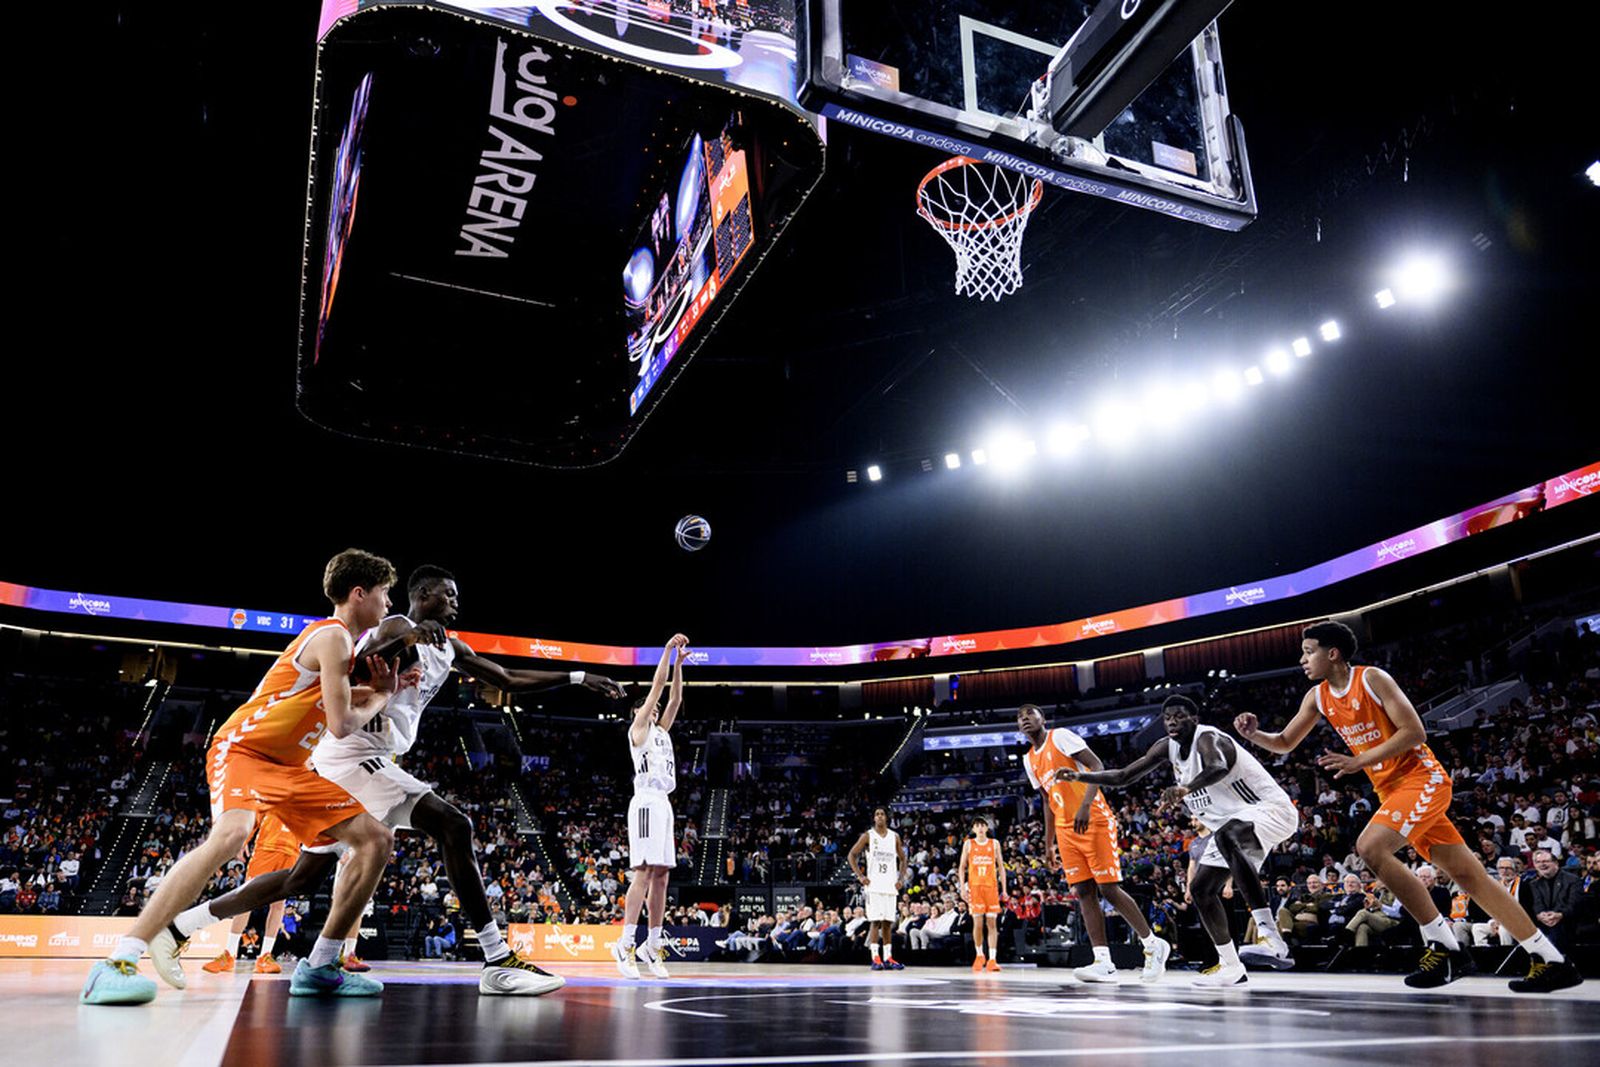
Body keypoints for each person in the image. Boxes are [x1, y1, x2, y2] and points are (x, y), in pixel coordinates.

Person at [170, 565, 621, 995]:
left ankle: (182, 926)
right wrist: (405, 636)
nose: (456, 603)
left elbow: (506, 677)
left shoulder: (451, 647)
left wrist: (579, 676)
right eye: (449, 595)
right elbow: (359, 660)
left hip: (356, 759)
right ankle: (498, 959)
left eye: (458, 596)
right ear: (424, 595)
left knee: (300, 880)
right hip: (351, 755)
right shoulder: (395, 625)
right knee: (453, 825)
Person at [80, 549, 410, 1005]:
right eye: (384, 592)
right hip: (245, 750)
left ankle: (321, 965)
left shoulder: (340, 646)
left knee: (375, 839)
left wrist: (379, 690)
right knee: (232, 836)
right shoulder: (333, 636)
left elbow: (330, 699)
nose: (389, 602)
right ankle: (117, 960)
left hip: (291, 768)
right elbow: (340, 723)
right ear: (359, 594)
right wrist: (380, 697)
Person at [1234, 619, 1582, 992]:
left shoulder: (1372, 679)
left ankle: (1444, 946)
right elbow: (1285, 741)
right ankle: (1551, 959)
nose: (1302, 660)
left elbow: (1415, 731)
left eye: (1308, 652)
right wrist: (1255, 734)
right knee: (1470, 877)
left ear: (1332, 653)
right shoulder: (1317, 697)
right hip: (1393, 792)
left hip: (1423, 780)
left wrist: (1359, 761)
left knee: (1369, 847)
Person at [1063, 695, 1291, 987]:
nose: (1172, 721)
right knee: (1201, 890)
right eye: (1167, 717)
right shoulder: (1166, 747)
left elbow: (1218, 767)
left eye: (1179, 716)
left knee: (1226, 836)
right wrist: (1081, 777)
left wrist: (1186, 788)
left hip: (1269, 810)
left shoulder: (1207, 738)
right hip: (1231, 827)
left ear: (1193, 719)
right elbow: (1123, 776)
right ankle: (1232, 967)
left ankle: (1271, 938)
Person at [1017, 704, 1168, 984]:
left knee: (1108, 888)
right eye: (1019, 717)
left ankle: (1152, 944)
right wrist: (1048, 844)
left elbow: (1097, 766)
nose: (1024, 718)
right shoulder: (1029, 760)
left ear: (1042, 719)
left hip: (1093, 818)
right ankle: (1103, 961)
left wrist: (1086, 805)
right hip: (1065, 828)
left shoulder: (1060, 737)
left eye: (1030, 713)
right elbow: (1047, 801)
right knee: (1083, 891)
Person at [611, 636, 689, 980]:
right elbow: (658, 689)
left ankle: (652, 946)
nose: (655, 710)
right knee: (643, 872)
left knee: (662, 876)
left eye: (654, 709)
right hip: (644, 802)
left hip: (664, 803)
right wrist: (667, 650)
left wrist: (679, 666)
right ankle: (625, 943)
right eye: (648, 707)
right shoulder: (638, 729)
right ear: (638, 712)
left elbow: (675, 697)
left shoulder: (662, 732)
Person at [201, 814, 299, 976]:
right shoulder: (270, 792)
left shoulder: (306, 794)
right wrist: (243, 842)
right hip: (265, 849)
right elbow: (253, 819)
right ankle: (229, 954)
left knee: (278, 904)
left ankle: (265, 956)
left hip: (291, 852)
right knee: (246, 900)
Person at [847, 807, 907, 970]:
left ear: (886, 818)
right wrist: (860, 876)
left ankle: (888, 957)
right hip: (873, 886)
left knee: (887, 922)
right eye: (877, 814)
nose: (879, 816)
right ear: (874, 818)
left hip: (890, 885)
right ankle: (875, 957)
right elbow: (851, 855)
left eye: (882, 814)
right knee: (875, 922)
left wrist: (900, 878)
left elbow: (903, 858)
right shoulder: (868, 836)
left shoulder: (894, 836)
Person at [958, 816, 1008, 972]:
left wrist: (1004, 889)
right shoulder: (968, 844)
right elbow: (961, 867)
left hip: (991, 887)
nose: (980, 828)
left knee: (992, 924)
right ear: (973, 829)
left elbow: (1001, 867)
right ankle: (979, 955)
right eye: (977, 825)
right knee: (978, 924)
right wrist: (962, 887)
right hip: (975, 888)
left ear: (987, 828)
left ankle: (992, 959)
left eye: (983, 825)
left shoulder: (994, 844)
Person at [1520, 849, 1582, 953]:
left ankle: (1556, 963)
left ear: (1555, 863)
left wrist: (1559, 915)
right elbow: (1537, 904)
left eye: (1545, 861)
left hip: (1566, 920)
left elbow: (1574, 904)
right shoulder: (1534, 883)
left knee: (1556, 931)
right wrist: (1540, 915)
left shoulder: (1573, 880)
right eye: (1538, 862)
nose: (1542, 865)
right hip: (1544, 921)